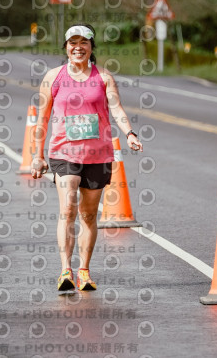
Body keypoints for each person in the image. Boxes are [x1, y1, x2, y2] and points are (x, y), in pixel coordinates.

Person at [31, 23, 143, 291]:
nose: (77, 47)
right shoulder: (53, 77)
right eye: (73, 43)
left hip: (98, 154)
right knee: (68, 208)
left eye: (84, 42)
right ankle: (65, 270)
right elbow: (42, 118)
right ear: (66, 47)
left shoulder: (103, 77)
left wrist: (129, 133)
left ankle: (84, 271)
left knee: (89, 215)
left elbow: (116, 108)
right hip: (63, 152)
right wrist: (37, 155)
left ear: (92, 47)